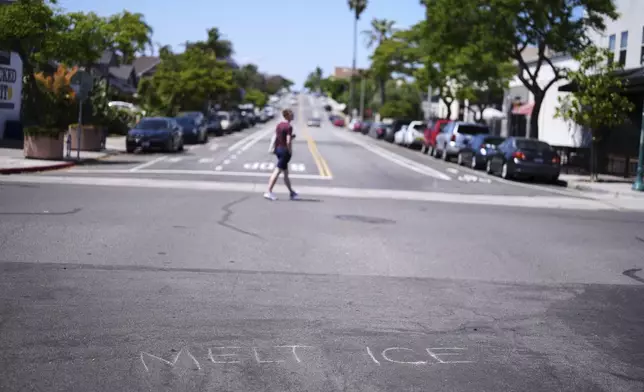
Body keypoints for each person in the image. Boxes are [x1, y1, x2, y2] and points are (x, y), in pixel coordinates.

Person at [264, 109, 299, 201]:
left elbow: (279, 137)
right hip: (284, 151)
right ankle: (269, 191)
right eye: (292, 114)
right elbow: (287, 141)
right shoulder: (289, 127)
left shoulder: (279, 125)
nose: (293, 116)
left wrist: (290, 137)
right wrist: (290, 150)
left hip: (278, 149)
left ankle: (292, 192)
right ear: (288, 116)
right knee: (277, 171)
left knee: (285, 173)